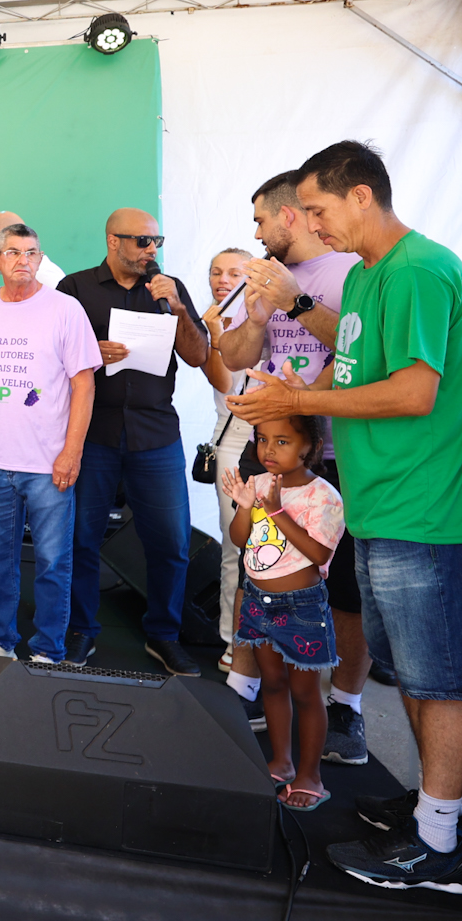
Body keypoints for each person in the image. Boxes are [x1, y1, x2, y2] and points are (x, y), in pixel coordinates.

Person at [229, 140, 462, 894]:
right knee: (415, 675)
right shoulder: (369, 275)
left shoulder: (416, 270)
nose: (311, 225)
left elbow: (414, 391)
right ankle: (435, 814)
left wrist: (295, 399)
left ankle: (441, 845)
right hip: (385, 507)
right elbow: (352, 352)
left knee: (441, 682)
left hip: (428, 510)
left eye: (317, 209)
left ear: (361, 195)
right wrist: (295, 312)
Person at [219, 172, 373, 764]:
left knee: (343, 588)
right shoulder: (265, 274)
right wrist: (258, 317)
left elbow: (359, 349)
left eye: (261, 219)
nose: (257, 232)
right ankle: (246, 690)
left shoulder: (349, 271)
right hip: (270, 447)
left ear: (288, 216)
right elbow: (234, 357)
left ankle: (346, 708)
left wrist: (293, 303)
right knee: (258, 566)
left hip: (337, 451)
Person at [0, 222, 100, 662]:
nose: (23, 261)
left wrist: (72, 452)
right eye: (13, 252)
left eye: (31, 253)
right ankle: (0, 641)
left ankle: (48, 649)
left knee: (52, 563)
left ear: (39, 258)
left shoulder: (65, 309)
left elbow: (84, 385)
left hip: (48, 464)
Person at [59, 209, 208, 675]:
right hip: (93, 434)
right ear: (113, 241)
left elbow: (198, 355)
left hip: (156, 433)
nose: (152, 250)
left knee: (171, 542)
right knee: (81, 539)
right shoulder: (75, 288)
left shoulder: (169, 288)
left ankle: (163, 634)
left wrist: (178, 309)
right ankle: (81, 630)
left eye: (156, 241)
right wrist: (90, 352)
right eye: (143, 240)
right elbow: (49, 356)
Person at [222, 414, 346, 812]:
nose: (268, 450)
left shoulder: (323, 495)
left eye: (282, 441)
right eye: (262, 440)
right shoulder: (258, 484)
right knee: (272, 684)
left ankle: (311, 776)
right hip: (259, 603)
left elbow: (319, 554)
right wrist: (245, 507)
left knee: (306, 693)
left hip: (302, 609)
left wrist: (276, 511)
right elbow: (240, 539)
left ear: (311, 446)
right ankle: (281, 762)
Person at [198, 246, 255, 674]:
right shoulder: (211, 323)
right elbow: (224, 384)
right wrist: (214, 335)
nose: (223, 280)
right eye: (216, 272)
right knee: (236, 546)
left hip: (284, 437)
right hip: (234, 441)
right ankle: (232, 643)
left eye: (234, 273)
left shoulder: (270, 316)